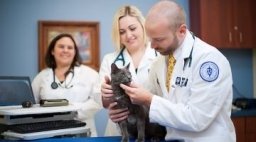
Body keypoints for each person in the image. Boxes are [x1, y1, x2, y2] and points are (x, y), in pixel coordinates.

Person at [111, 0, 236, 142]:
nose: (152, 46)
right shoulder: (159, 63)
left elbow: (197, 119)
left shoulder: (209, 61)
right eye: (151, 39)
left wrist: (149, 100)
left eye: (158, 39)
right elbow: (147, 102)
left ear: (181, 31)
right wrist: (120, 106)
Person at [99, 5, 158, 136]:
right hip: (119, 130)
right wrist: (106, 94)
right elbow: (105, 103)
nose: (128, 35)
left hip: (151, 127)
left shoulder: (159, 56)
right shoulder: (110, 59)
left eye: (132, 28)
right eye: (122, 32)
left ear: (143, 26)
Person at [32, 33, 101, 137]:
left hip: (82, 132)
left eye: (70, 47)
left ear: (74, 52)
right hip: (49, 132)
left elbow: (98, 101)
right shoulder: (41, 77)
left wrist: (72, 110)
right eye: (61, 46)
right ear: (52, 51)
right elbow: (32, 104)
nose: (65, 50)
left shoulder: (90, 74)